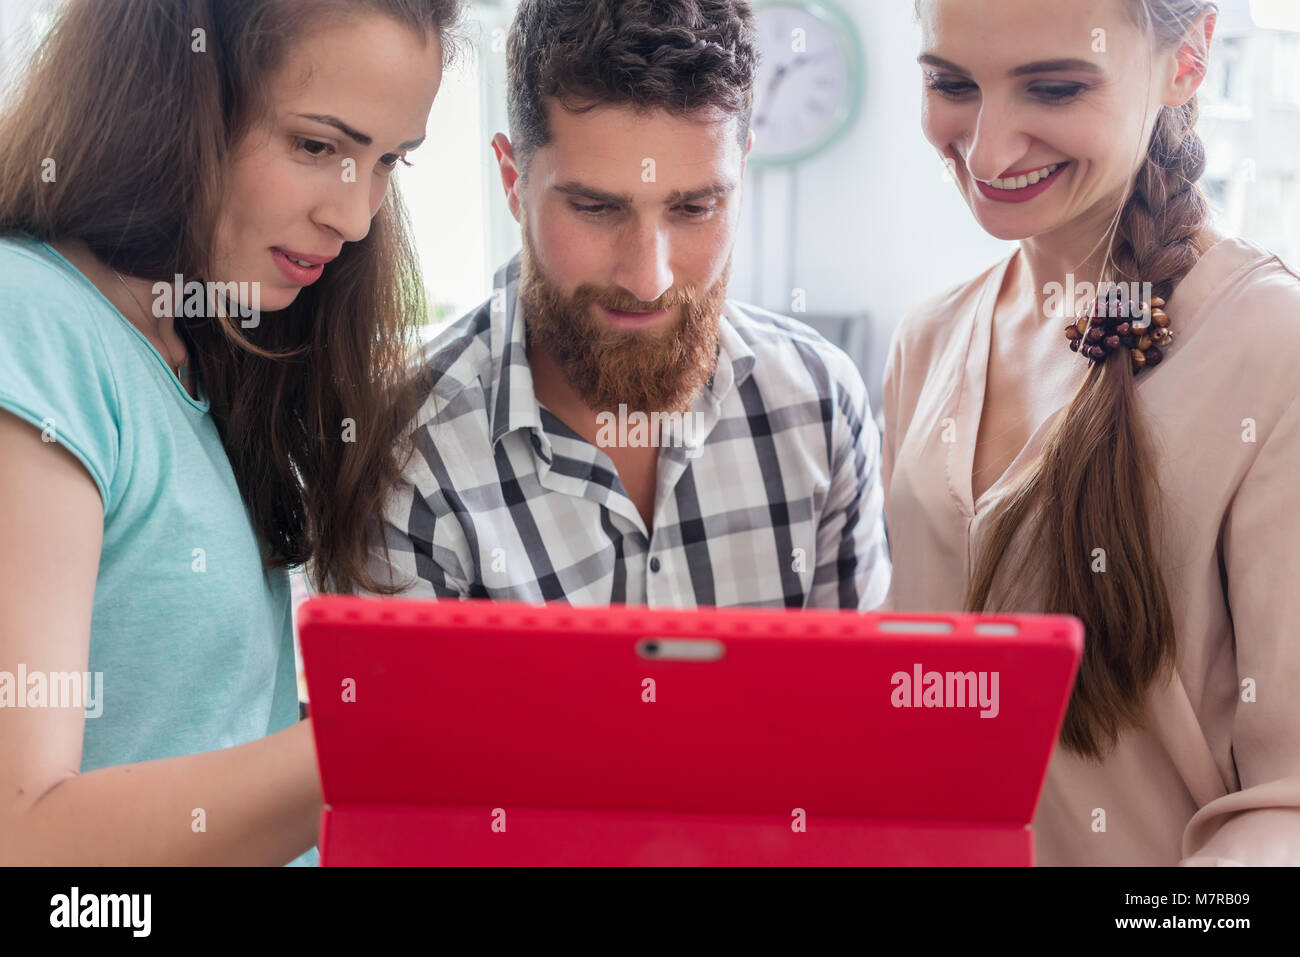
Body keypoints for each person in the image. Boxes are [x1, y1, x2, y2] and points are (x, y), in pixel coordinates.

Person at [0, 0, 461, 865]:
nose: (356, 219)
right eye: (317, 146)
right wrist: (390, 727)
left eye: (388, 161)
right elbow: (24, 835)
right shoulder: (29, 324)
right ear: (169, 98)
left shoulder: (201, 342)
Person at [885, 0, 1300, 864]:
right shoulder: (927, 340)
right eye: (952, 84)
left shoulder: (1274, 349)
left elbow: (1286, 807)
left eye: (1056, 88)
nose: (988, 150)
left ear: (1188, 59)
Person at [369, 0, 891, 610]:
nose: (648, 279)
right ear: (514, 182)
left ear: (740, 174)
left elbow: (846, 699)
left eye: (694, 209)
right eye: (595, 208)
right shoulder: (403, 452)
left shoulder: (820, 405)